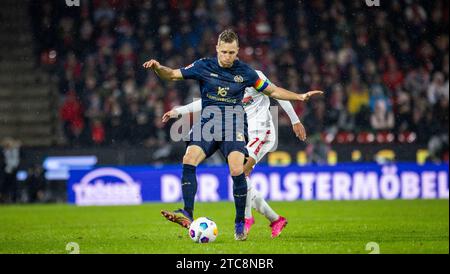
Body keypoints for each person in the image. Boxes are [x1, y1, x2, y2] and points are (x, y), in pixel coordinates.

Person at [143, 29, 322, 240]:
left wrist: (300, 97)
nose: (227, 56)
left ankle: (240, 222)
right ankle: (186, 213)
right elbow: (171, 74)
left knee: (237, 170)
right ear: (217, 48)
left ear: (237, 51)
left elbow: (273, 91)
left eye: (232, 52)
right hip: (208, 122)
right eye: (224, 52)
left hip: (234, 123)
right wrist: (157, 68)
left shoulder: (246, 73)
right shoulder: (203, 66)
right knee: (189, 158)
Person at [162, 69, 316, 238]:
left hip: (262, 132)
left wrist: (295, 120)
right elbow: (206, 102)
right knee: (240, 175)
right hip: (244, 132)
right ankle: (274, 219)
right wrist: (179, 111)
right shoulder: (224, 82)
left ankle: (248, 218)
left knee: (240, 172)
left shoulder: (252, 75)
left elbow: (276, 92)